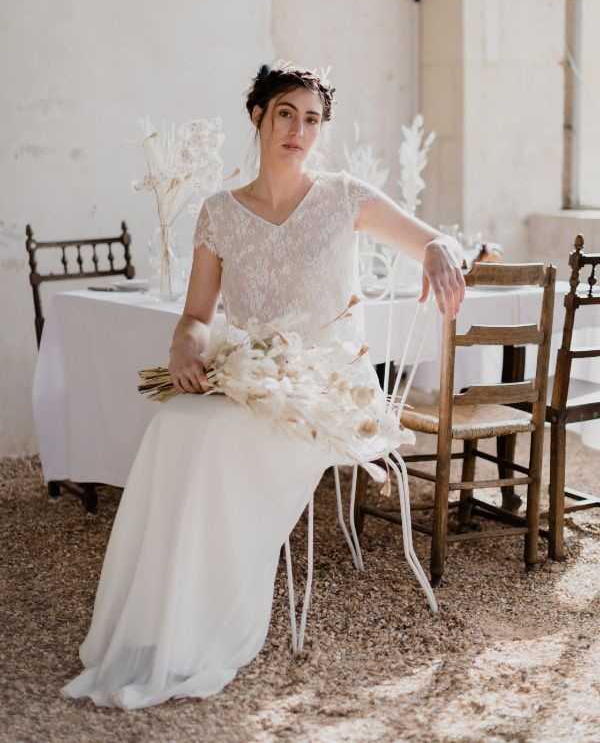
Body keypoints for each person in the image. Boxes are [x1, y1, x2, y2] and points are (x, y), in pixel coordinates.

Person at [61, 62, 465, 709]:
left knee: (216, 435)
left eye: (311, 119)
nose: (298, 130)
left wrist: (442, 248)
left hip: (330, 385)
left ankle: (203, 620)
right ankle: (157, 620)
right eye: (285, 113)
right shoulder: (219, 212)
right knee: (176, 424)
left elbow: (431, 240)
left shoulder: (343, 197)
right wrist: (184, 349)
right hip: (252, 371)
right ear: (257, 116)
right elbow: (197, 317)